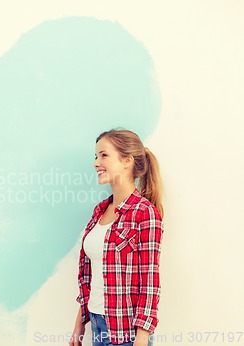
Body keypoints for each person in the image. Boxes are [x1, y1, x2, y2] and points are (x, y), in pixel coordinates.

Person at [69, 129, 164, 346]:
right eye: (96, 157)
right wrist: (79, 324)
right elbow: (90, 277)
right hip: (97, 325)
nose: (96, 163)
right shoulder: (99, 212)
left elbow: (150, 282)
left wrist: (141, 339)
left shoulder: (144, 212)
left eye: (104, 155)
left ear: (127, 161)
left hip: (127, 334)